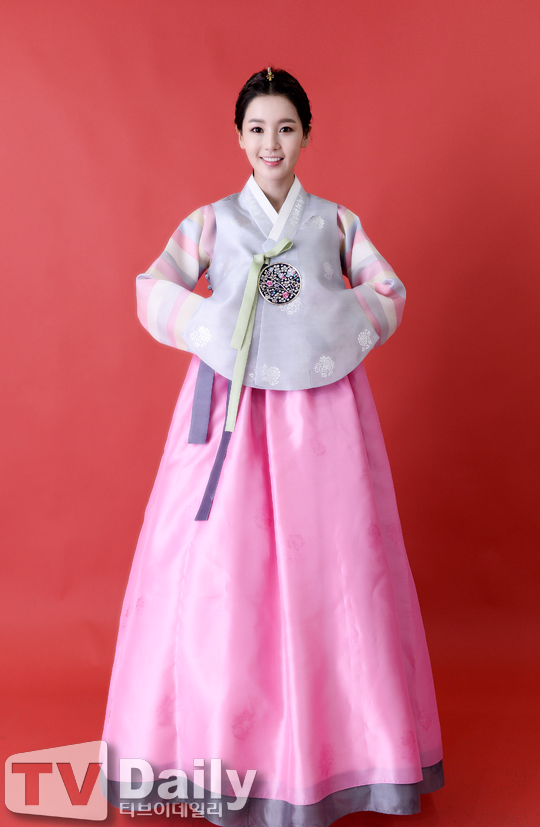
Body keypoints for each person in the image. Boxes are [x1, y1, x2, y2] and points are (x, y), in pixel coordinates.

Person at [100, 67, 444, 824]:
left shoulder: (335, 223)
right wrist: (213, 326)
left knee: (335, 568)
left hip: (319, 419)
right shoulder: (212, 223)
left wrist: (319, 328)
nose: (271, 144)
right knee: (222, 571)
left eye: (286, 128)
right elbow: (152, 287)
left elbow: (387, 292)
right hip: (231, 415)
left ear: (306, 135)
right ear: (238, 136)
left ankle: (330, 754)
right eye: (257, 129)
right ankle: (218, 749)